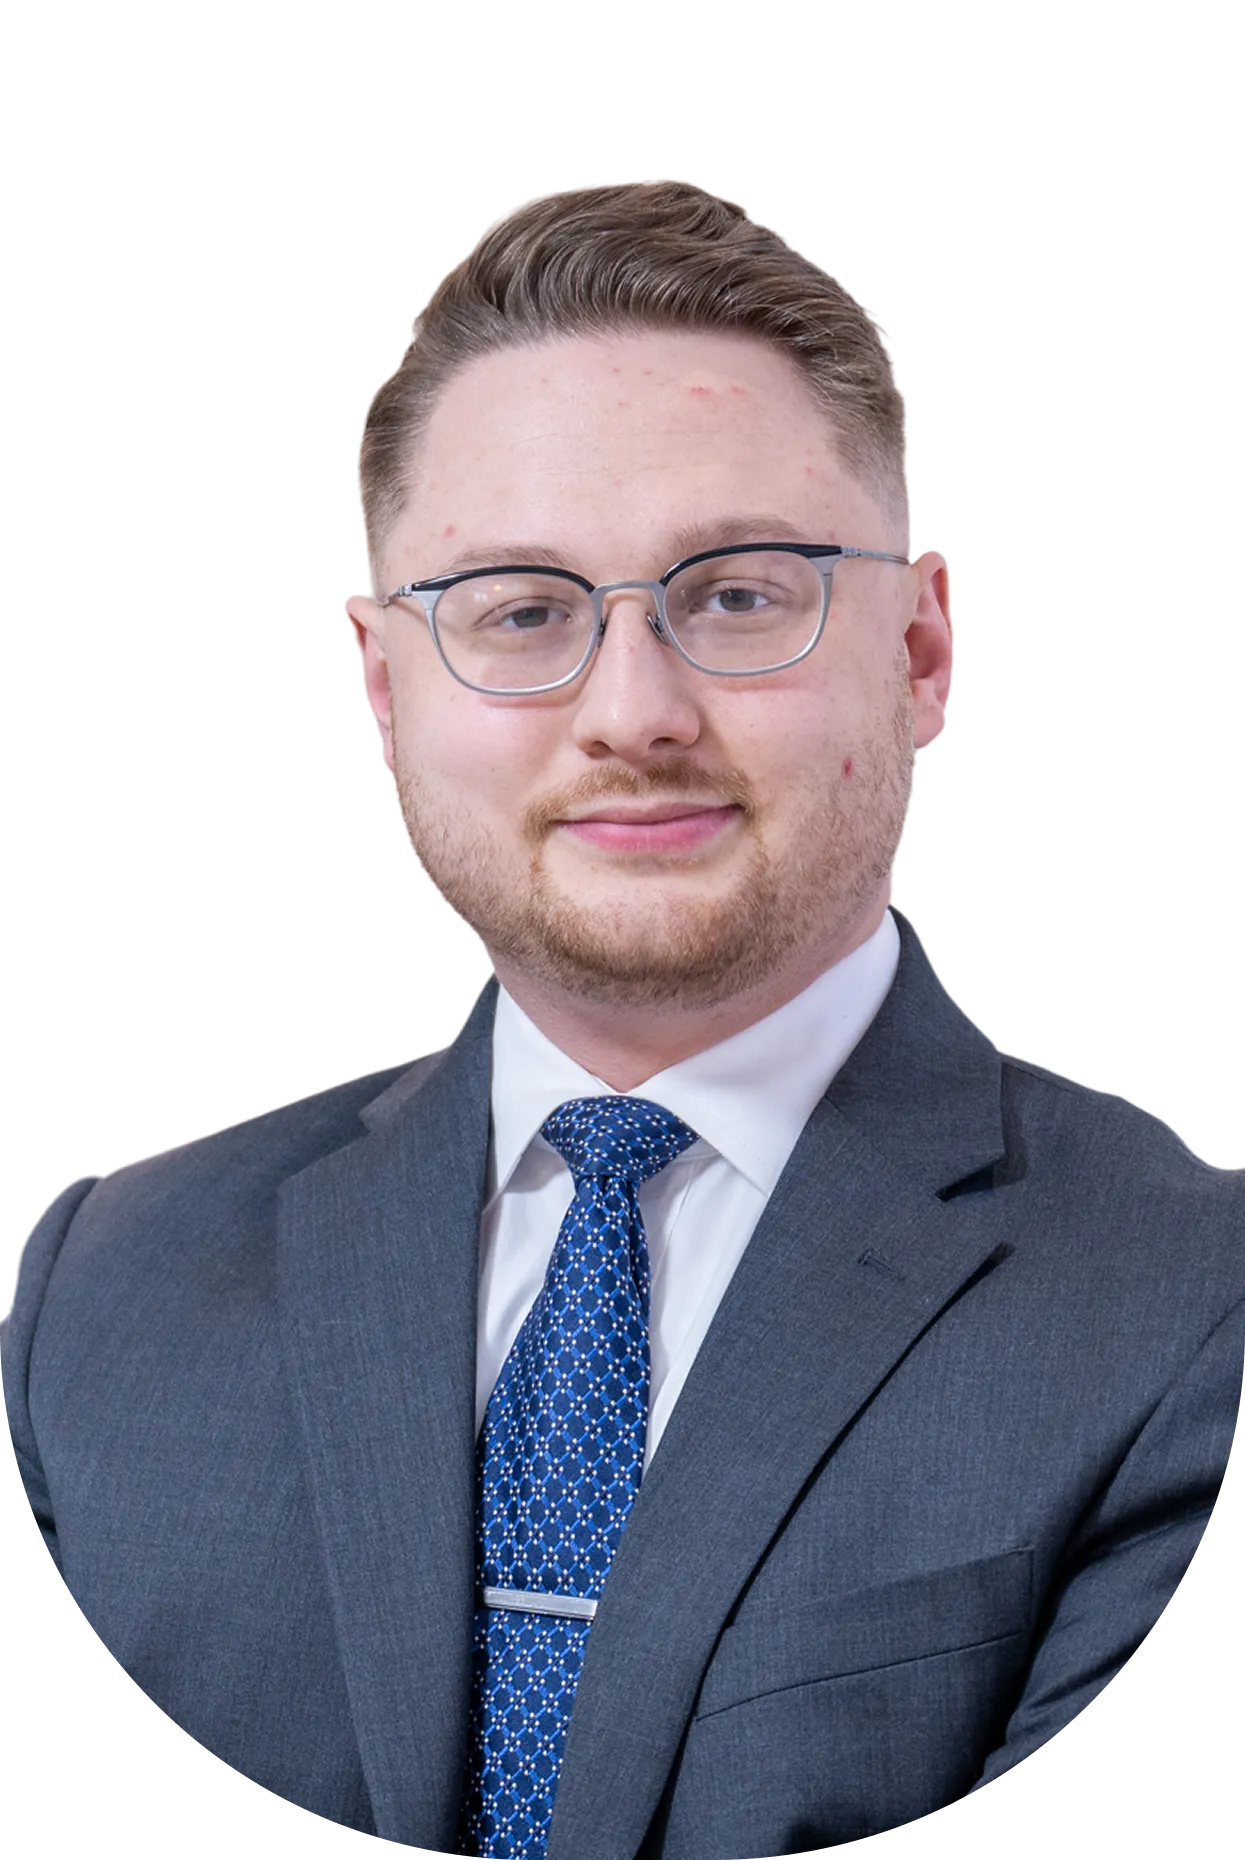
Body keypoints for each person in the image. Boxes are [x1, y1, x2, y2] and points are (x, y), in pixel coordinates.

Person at [2, 179, 1240, 1859]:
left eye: (738, 596)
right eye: (522, 609)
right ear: (382, 688)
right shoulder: (104, 1290)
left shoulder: (1196, 1313)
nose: (632, 713)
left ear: (922, 650)